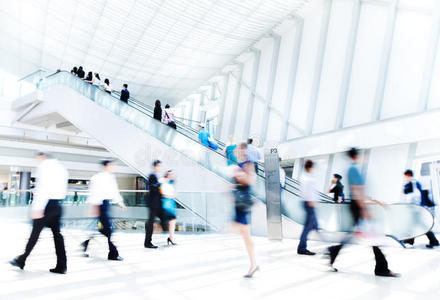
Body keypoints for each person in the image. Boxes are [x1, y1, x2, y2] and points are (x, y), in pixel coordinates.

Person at [327, 148, 399, 277]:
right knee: (372, 237)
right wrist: (364, 209)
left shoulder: (352, 169)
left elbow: (360, 191)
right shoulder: (353, 170)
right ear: (355, 156)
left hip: (357, 205)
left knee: (360, 235)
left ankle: (333, 251)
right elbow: (356, 191)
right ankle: (381, 268)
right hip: (357, 205)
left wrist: (378, 202)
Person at [10, 152, 68, 274]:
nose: (37, 161)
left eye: (38, 158)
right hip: (57, 205)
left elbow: (43, 188)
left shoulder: (44, 166)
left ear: (43, 157)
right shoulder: (62, 168)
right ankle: (62, 266)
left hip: (46, 205)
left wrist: (37, 208)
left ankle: (22, 259)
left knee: (35, 234)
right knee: (57, 236)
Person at [80, 160, 126, 260]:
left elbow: (114, 192)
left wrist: (120, 202)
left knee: (104, 229)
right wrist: (93, 207)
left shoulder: (110, 177)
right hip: (100, 205)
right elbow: (93, 193)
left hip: (105, 204)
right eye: (112, 166)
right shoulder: (98, 178)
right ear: (106, 166)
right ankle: (113, 254)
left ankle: (85, 244)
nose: (114, 168)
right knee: (108, 229)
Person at [231, 143, 258, 278]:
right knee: (244, 235)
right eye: (237, 149)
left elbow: (250, 181)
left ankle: (253, 264)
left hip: (243, 204)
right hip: (239, 204)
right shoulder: (239, 164)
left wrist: (239, 174)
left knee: (245, 235)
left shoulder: (248, 164)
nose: (237, 151)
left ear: (244, 150)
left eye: (239, 148)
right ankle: (253, 264)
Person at [402, 169, 439, 248]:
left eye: (405, 176)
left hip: (416, 209)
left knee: (421, 225)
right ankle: (410, 240)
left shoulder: (412, 183)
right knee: (416, 225)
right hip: (418, 208)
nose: (405, 178)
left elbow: (406, 192)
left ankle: (433, 241)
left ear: (408, 175)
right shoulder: (416, 183)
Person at [297, 160, 319, 255]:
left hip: (308, 203)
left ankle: (302, 246)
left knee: (312, 225)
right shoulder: (307, 178)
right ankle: (302, 248)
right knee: (309, 226)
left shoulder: (306, 177)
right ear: (310, 167)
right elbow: (307, 192)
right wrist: (311, 202)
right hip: (309, 204)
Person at [144, 160, 167, 248]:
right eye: (159, 166)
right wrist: (160, 182)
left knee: (163, 219)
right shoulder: (152, 176)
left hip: (158, 203)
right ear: (155, 167)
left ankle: (159, 230)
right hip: (153, 203)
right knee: (151, 222)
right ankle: (147, 242)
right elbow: (153, 187)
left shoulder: (157, 176)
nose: (160, 168)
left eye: (161, 166)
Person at [160, 170, 177, 245]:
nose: (172, 175)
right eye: (170, 174)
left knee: (172, 221)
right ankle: (170, 238)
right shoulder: (163, 181)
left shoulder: (171, 183)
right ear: (167, 175)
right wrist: (172, 196)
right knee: (169, 221)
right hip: (165, 203)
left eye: (172, 174)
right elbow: (163, 194)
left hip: (170, 204)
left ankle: (171, 238)